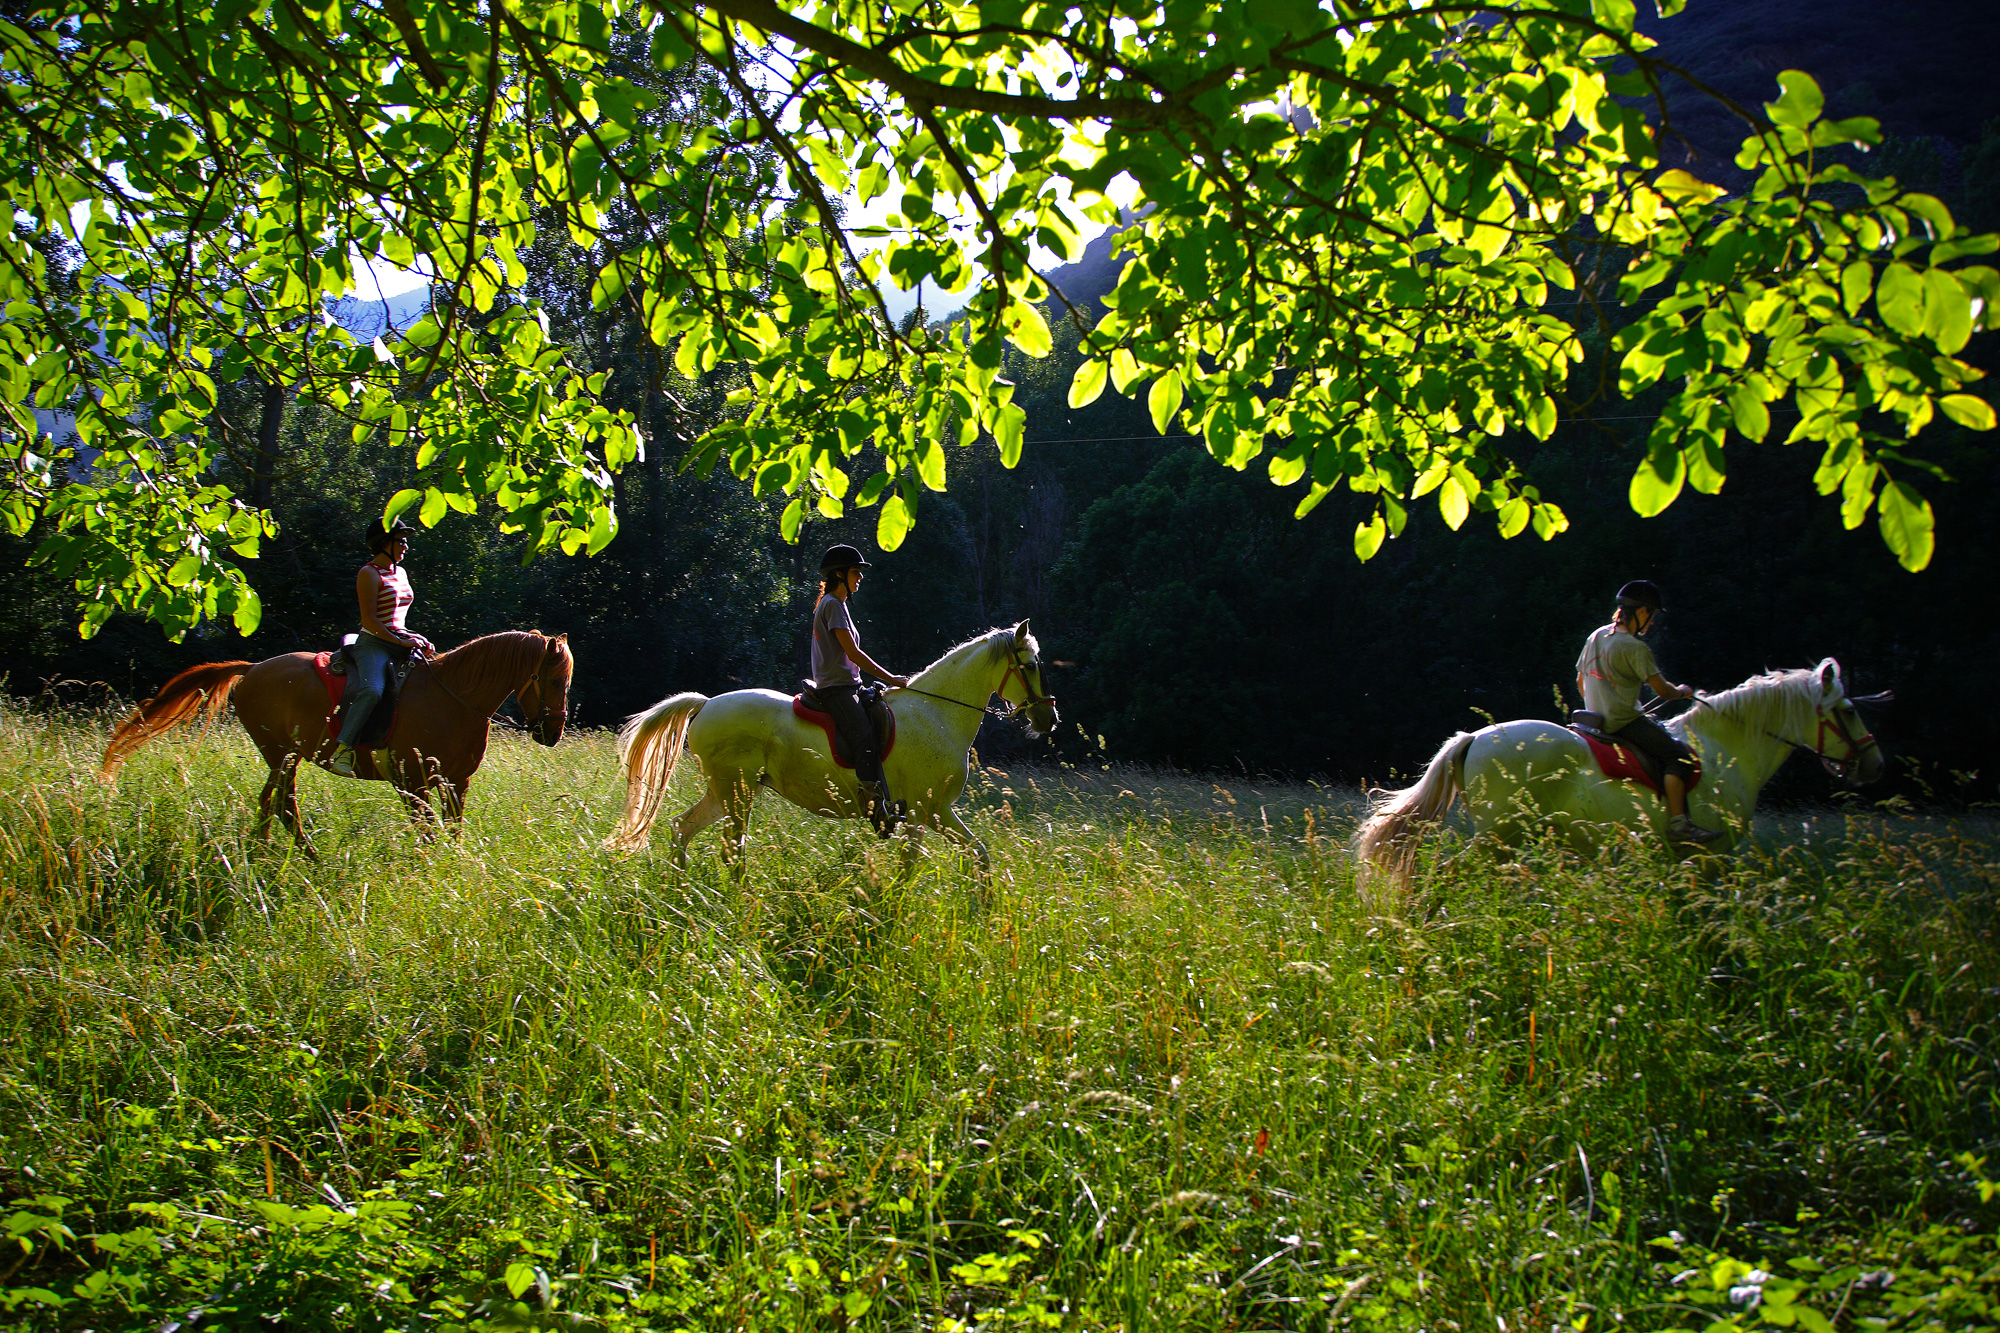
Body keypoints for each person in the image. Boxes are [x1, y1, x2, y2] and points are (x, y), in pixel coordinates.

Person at [1575, 580, 1722, 846]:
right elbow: (1662, 691)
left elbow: (1580, 682)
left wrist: (1600, 703)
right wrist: (1683, 691)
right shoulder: (1635, 648)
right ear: (1641, 612)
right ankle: (1680, 825)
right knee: (1680, 757)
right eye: (1651, 615)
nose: (1652, 622)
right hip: (1623, 723)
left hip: (1591, 720)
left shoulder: (1596, 636)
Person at [325, 517, 435, 777]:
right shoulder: (368, 573)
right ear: (384, 543)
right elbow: (370, 621)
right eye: (401, 541)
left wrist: (415, 637)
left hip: (399, 639)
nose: (406, 546)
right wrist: (400, 641)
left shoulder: (401, 572)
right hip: (373, 644)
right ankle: (343, 750)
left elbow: (398, 618)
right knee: (372, 690)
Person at [811, 543, 908, 836]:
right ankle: (875, 812)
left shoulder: (836, 605)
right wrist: (891, 678)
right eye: (855, 572)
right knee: (864, 735)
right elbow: (852, 653)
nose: (860, 577)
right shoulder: (831, 604)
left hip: (849, 685)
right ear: (838, 574)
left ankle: (888, 797)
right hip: (836, 689)